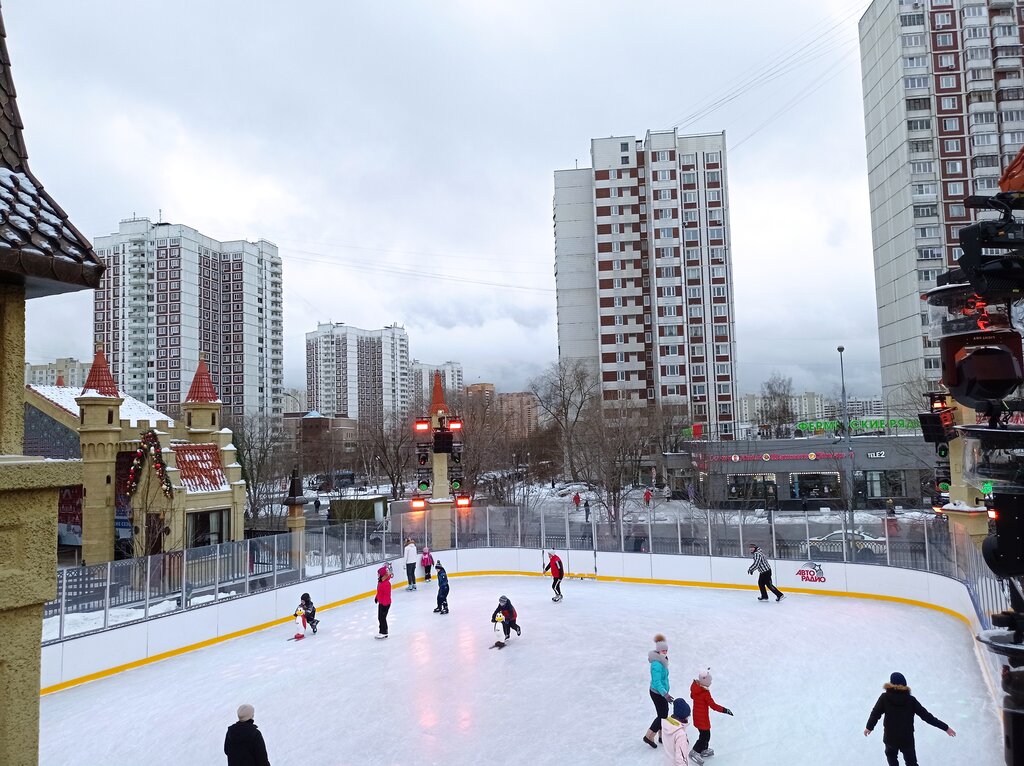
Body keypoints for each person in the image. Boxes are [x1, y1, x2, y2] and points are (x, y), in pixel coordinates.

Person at [864, 671, 955, 765]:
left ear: (890, 684)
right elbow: (927, 717)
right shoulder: (911, 700)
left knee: (891, 758)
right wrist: (945, 727)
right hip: (906, 739)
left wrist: (869, 727)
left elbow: (875, 713)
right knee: (911, 763)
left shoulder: (884, 698)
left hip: (890, 738)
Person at [689, 668, 733, 759]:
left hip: (697, 716)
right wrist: (725, 710)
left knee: (706, 735)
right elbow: (713, 706)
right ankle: (695, 751)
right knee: (704, 736)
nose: (711, 682)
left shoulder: (695, 688)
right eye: (710, 681)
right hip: (702, 718)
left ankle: (703, 749)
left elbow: (692, 696)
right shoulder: (705, 693)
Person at [643, 634, 672, 749]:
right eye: (663, 650)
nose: (665, 652)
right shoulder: (656, 664)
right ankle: (649, 736)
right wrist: (665, 694)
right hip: (657, 693)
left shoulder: (662, 660)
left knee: (663, 714)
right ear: (658, 651)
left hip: (662, 692)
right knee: (662, 715)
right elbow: (657, 682)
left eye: (666, 650)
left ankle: (661, 736)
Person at [662, 698, 702, 765]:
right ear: (684, 716)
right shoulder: (680, 735)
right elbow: (680, 759)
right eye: (688, 715)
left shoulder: (668, 724)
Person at [374, 564, 392, 639]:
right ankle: (382, 631)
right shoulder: (380, 581)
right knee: (380, 617)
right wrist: (377, 597)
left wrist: (385, 604)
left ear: (381, 574)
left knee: (382, 618)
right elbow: (379, 592)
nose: (377, 575)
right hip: (381, 602)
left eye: (378, 574)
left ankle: (384, 632)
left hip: (385, 603)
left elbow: (386, 595)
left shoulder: (386, 583)